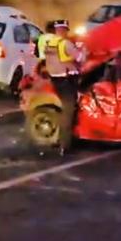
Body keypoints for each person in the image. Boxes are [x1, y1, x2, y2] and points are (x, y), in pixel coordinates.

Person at [44, 19, 84, 154]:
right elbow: (80, 58)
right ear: (64, 30)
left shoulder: (49, 44)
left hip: (55, 79)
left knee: (65, 109)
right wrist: (83, 50)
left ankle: (59, 139)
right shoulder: (65, 44)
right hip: (67, 80)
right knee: (68, 111)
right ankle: (64, 144)